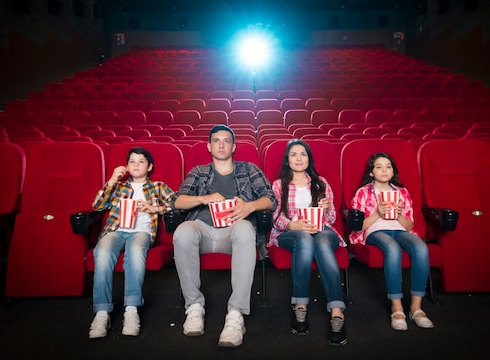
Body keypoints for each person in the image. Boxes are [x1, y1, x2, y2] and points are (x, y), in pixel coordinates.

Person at [171, 124, 277, 348]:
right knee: (183, 230)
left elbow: (270, 198)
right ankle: (194, 307)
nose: (221, 144)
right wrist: (203, 198)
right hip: (203, 230)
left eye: (226, 140)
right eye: (216, 140)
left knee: (246, 228)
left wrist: (249, 207)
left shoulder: (248, 169)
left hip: (234, 232)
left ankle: (236, 314)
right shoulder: (199, 171)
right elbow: (178, 202)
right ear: (209, 146)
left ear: (234, 146)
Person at [88, 146, 176, 339]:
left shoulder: (158, 186)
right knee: (102, 253)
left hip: (142, 232)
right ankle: (102, 312)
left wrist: (155, 208)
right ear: (127, 166)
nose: (136, 165)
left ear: (150, 166)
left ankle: (131, 309)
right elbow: (97, 205)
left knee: (135, 252)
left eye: (141, 161)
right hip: (116, 231)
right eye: (132, 162)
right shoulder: (118, 187)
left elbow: (177, 203)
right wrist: (111, 181)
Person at [267, 139, 348, 346]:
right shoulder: (278, 185)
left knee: (320, 243)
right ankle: (300, 305)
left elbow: (330, 220)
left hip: (321, 230)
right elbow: (275, 217)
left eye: (303, 154)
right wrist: (295, 225)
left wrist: (326, 209)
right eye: (293, 154)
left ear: (309, 158)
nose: (299, 158)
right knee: (304, 239)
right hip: (290, 232)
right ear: (287, 160)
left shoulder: (321, 182)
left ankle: (337, 310)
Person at [350, 152, 434, 331]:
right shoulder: (363, 192)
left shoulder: (402, 192)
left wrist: (399, 214)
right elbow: (358, 227)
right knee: (392, 248)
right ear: (371, 172)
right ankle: (397, 307)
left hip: (400, 229)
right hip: (375, 230)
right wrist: (378, 213)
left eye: (388, 166)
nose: (384, 170)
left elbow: (410, 224)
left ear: (393, 171)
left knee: (421, 248)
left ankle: (416, 307)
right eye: (379, 166)